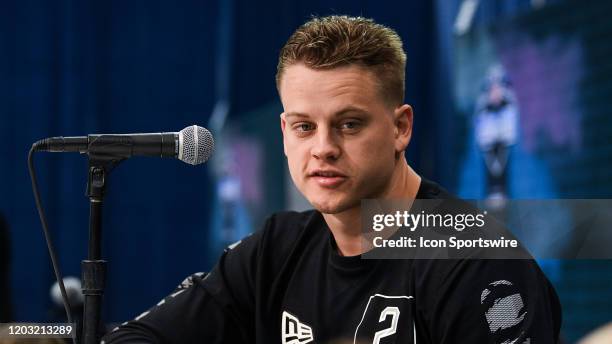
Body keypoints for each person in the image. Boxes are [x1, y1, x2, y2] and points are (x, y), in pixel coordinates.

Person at [102, 15, 561, 343]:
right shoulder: (276, 249)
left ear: (401, 127)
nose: (323, 147)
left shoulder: (478, 261)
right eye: (304, 126)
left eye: (349, 124)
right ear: (285, 134)